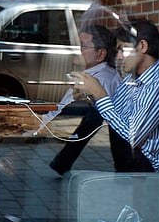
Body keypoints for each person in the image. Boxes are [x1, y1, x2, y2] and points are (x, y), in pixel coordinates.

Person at [73, 19, 159, 172]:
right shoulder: (132, 77)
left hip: (153, 171)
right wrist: (91, 95)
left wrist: (99, 93)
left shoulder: (158, 82)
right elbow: (116, 111)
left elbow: (132, 135)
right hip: (136, 161)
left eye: (123, 49)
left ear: (142, 46)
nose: (120, 57)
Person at [49, 25, 134, 175]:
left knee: (102, 124)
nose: (78, 51)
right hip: (105, 112)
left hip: (114, 114)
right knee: (92, 121)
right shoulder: (97, 73)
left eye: (82, 47)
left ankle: (125, 169)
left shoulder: (105, 77)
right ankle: (62, 162)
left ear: (100, 54)